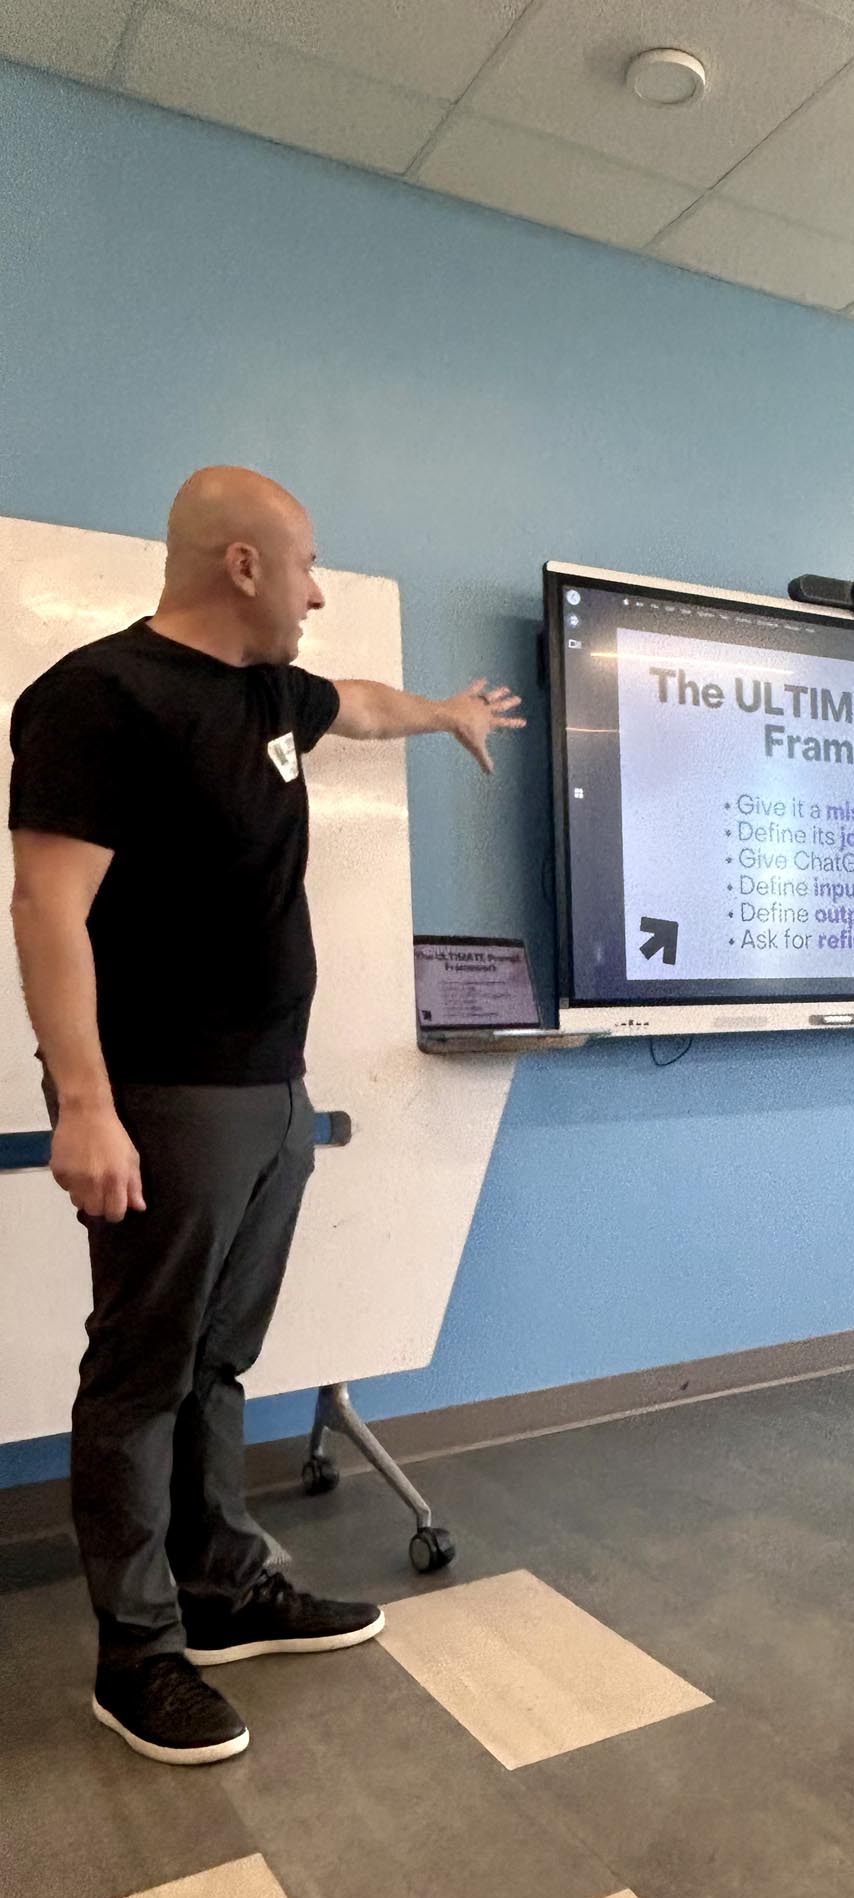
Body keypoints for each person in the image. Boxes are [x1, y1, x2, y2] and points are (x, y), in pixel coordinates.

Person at [7, 467, 523, 1766]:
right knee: (138, 1377)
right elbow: (46, 908)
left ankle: (223, 1587)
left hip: (273, 1092)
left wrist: (448, 712)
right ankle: (138, 1656)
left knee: (216, 1363)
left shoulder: (271, 693)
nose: (319, 592)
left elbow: (359, 703)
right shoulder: (99, 699)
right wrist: (86, 1103)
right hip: (163, 1100)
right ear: (242, 566)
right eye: (305, 570)